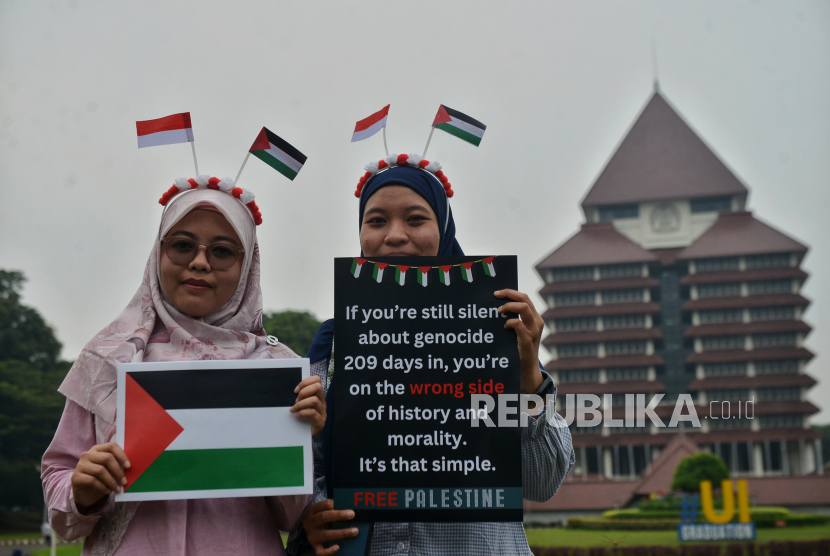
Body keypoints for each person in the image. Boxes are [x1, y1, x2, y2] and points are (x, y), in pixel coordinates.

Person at [287, 155, 574, 556]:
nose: (395, 235)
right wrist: (313, 516)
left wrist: (527, 375)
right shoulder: (335, 345)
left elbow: (542, 482)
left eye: (417, 219)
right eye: (376, 221)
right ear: (361, 235)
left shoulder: (496, 335)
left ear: (444, 228)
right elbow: (309, 470)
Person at [41, 177, 326, 556]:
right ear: (156, 254)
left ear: (248, 266)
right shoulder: (107, 361)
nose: (199, 262)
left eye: (223, 251)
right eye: (181, 246)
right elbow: (60, 489)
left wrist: (298, 437)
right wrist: (83, 487)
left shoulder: (276, 369)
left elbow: (290, 517)